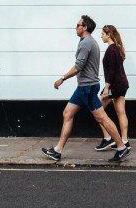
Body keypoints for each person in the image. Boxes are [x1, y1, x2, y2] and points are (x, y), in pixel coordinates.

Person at [41, 15, 131, 163]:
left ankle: (121, 147)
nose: (75, 27)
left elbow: (78, 67)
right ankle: (57, 151)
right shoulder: (87, 42)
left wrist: (62, 79)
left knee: (101, 117)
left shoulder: (87, 43)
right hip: (83, 87)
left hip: (87, 88)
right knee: (67, 113)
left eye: (78, 25)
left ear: (85, 28)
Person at [95, 25, 130, 151]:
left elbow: (112, 71)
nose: (101, 36)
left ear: (108, 34)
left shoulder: (111, 49)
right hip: (122, 84)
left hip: (114, 85)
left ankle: (108, 138)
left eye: (102, 34)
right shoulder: (117, 48)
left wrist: (106, 88)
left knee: (97, 110)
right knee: (121, 112)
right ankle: (125, 141)